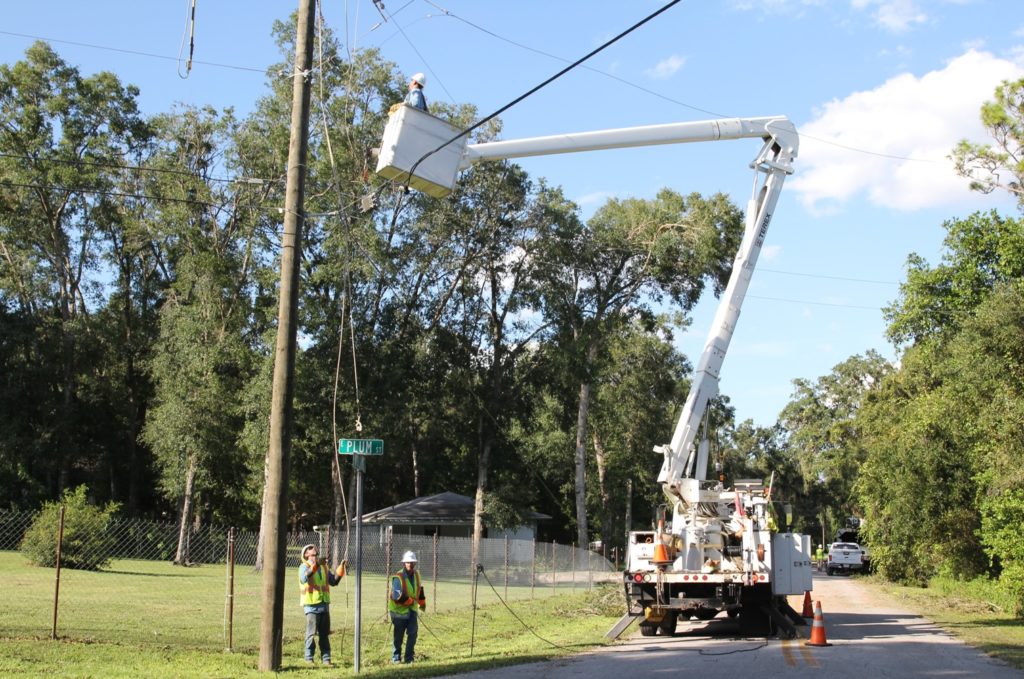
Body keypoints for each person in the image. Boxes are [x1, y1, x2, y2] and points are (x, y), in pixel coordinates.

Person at [298, 544, 347, 666]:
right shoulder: (303, 567)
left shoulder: (323, 567)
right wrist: (316, 565)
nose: (316, 557)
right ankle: (309, 658)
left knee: (324, 635)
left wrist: (341, 568)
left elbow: (333, 581)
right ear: (306, 555)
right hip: (311, 606)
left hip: (324, 606)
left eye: (316, 555)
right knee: (311, 635)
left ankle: (326, 659)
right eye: (313, 555)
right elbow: (305, 578)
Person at [388, 550, 427, 664]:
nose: (410, 564)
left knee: (413, 634)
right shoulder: (398, 576)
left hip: (412, 611)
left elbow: (419, 589)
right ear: (404, 563)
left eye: (412, 562)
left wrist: (422, 603)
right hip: (399, 612)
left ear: (415, 563)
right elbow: (396, 596)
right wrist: (409, 601)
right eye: (407, 562)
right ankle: (396, 658)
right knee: (398, 637)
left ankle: (409, 658)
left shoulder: (417, 574)